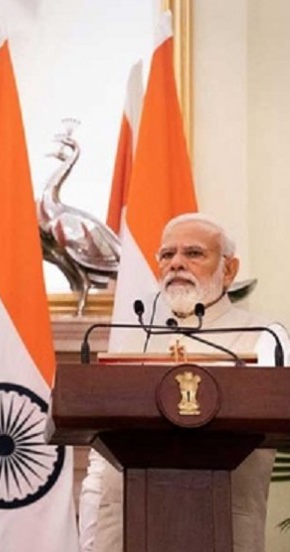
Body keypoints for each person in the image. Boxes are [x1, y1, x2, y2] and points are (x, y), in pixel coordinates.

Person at [78, 213, 289, 552]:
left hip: (221, 527)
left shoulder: (263, 337)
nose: (176, 263)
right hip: (122, 534)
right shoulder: (134, 340)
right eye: (167, 255)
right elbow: (100, 462)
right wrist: (89, 541)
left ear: (229, 270)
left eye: (193, 253)